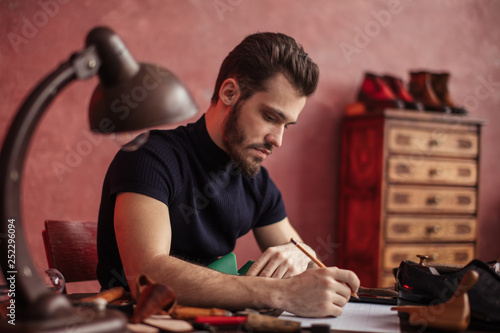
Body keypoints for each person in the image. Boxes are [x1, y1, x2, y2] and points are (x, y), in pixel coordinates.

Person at [96, 32, 360, 317]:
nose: (278, 140)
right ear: (229, 93)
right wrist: (281, 293)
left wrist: (301, 253)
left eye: (287, 125)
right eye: (270, 117)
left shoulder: (257, 183)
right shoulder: (149, 157)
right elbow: (148, 277)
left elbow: (308, 266)